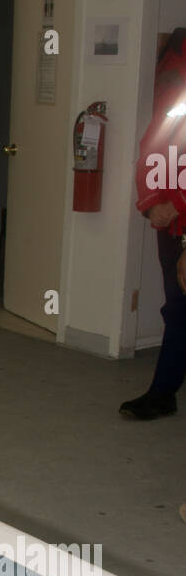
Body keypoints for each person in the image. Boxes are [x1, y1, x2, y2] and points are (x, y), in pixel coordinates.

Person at [120, 28, 186, 420]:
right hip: (168, 221)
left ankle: (162, 391)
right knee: (177, 310)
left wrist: (175, 203)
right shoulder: (172, 54)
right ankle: (163, 392)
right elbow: (153, 146)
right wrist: (150, 203)